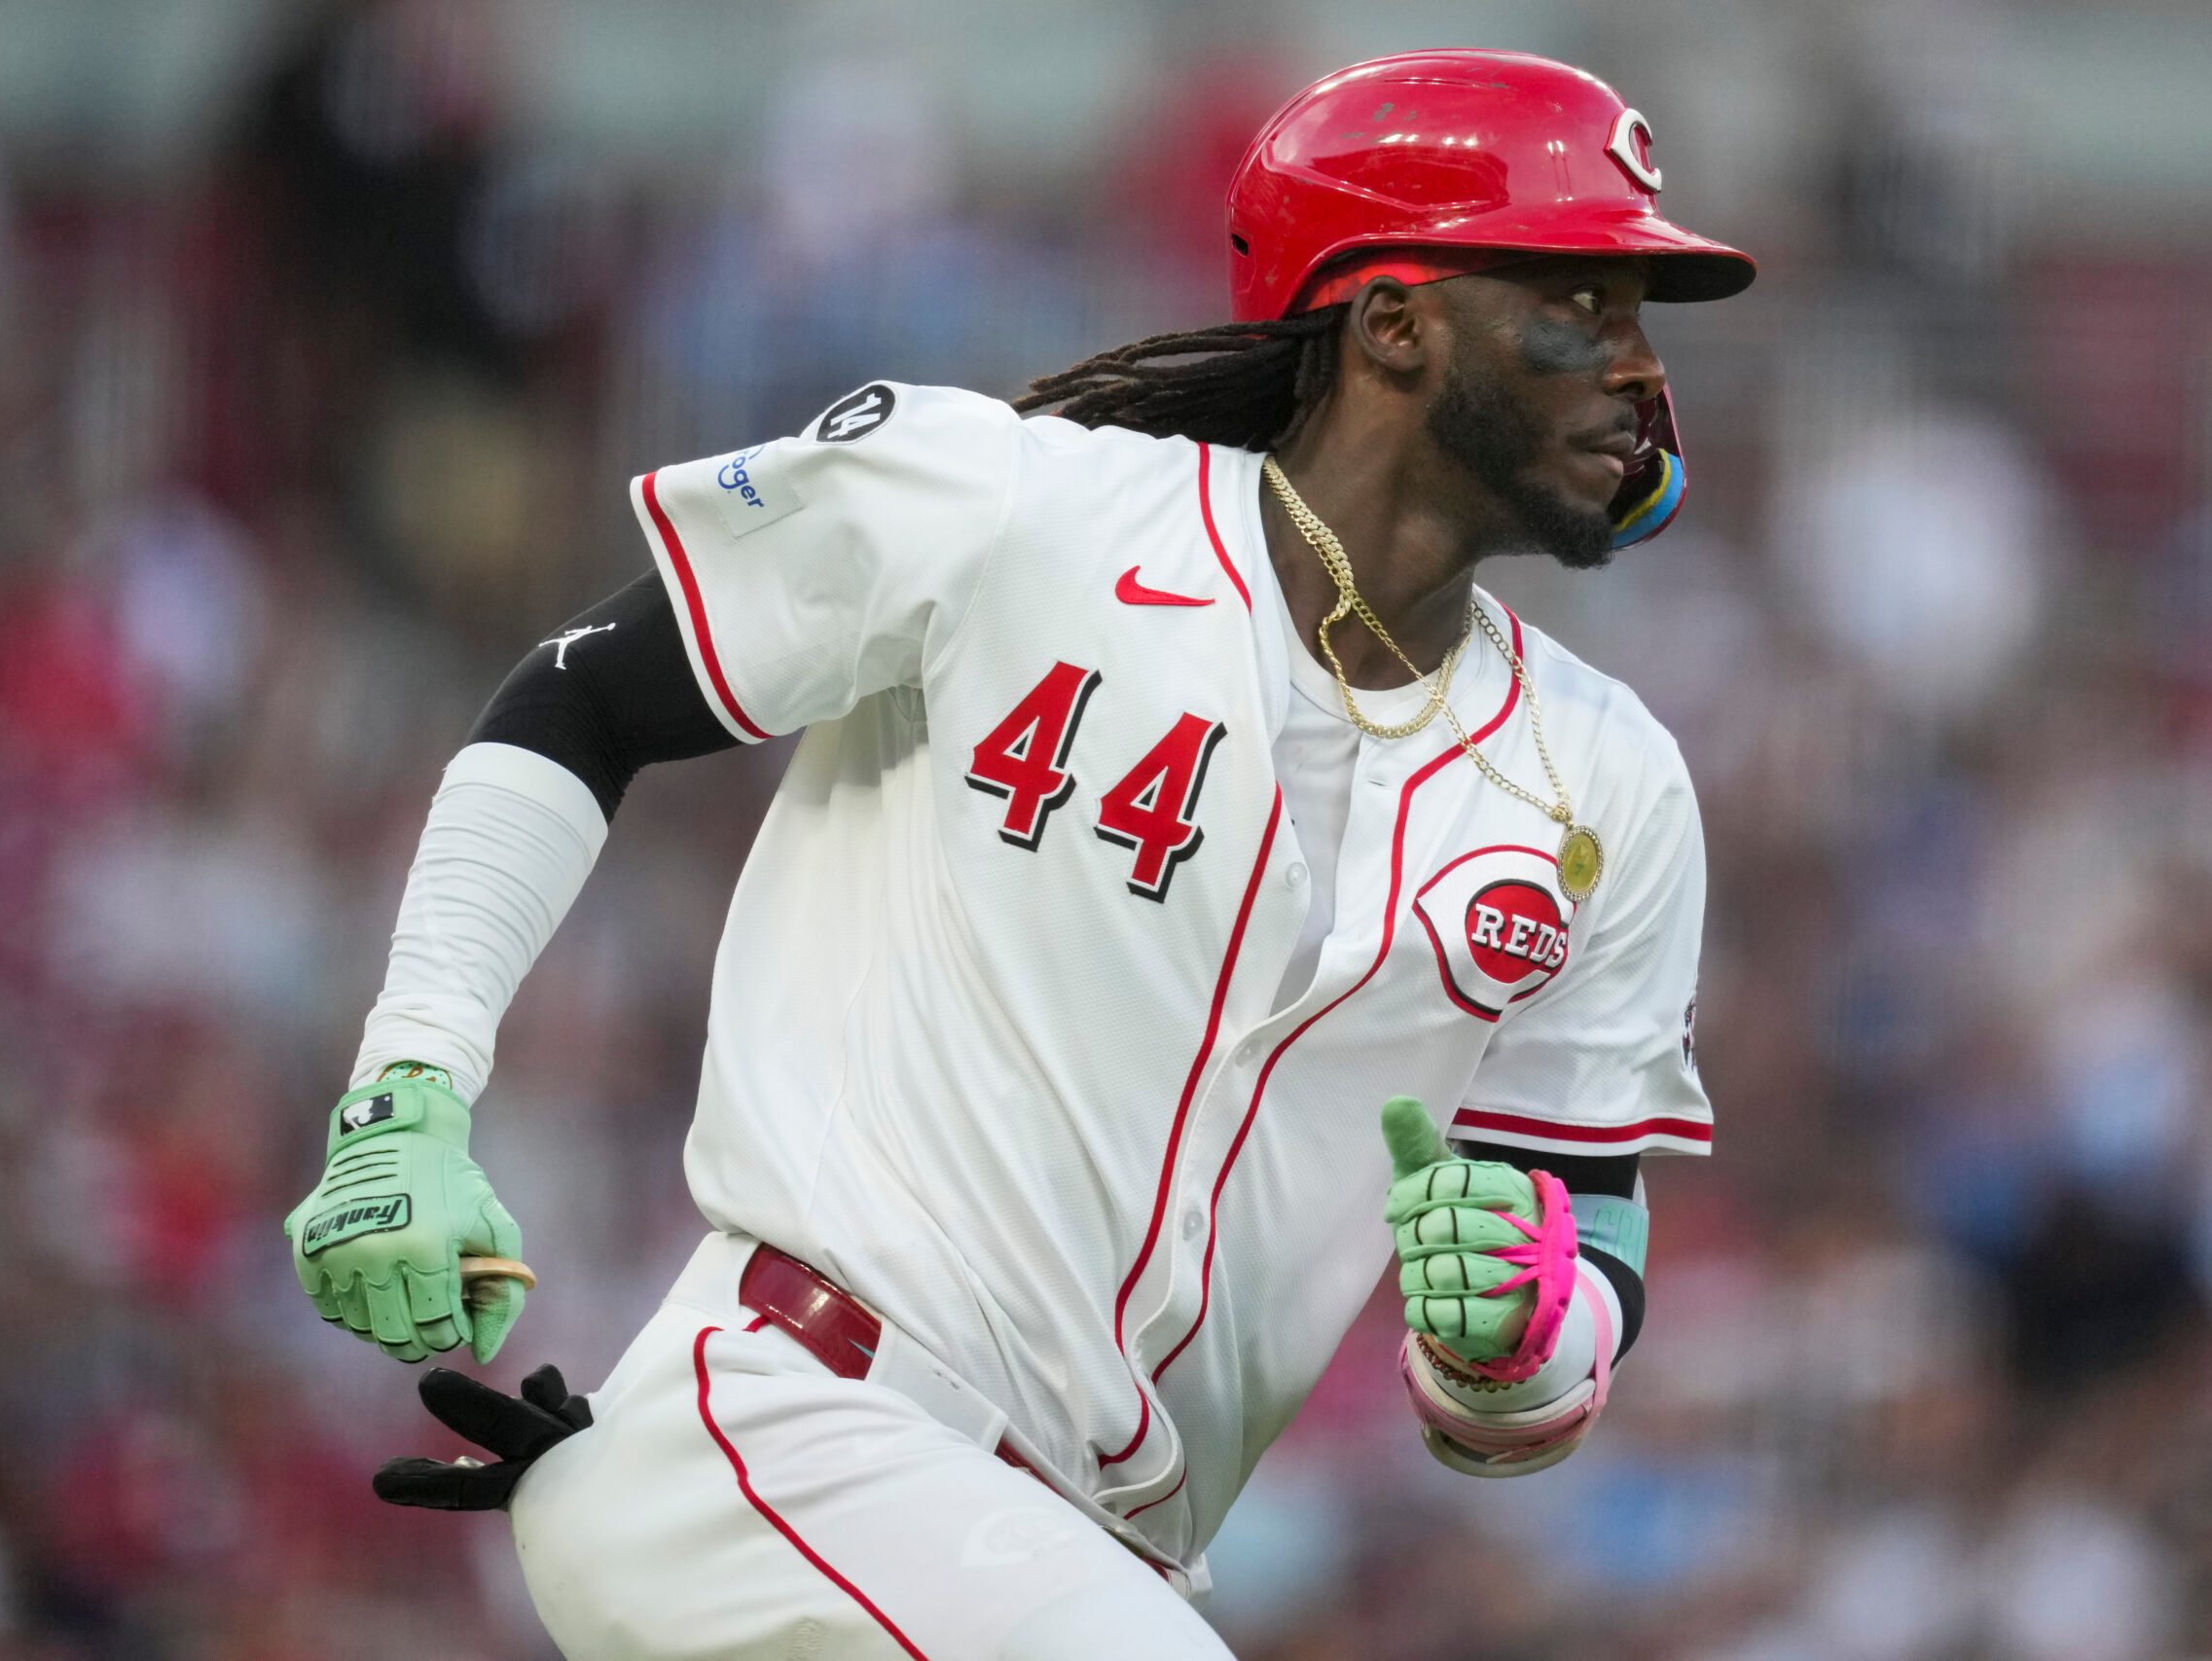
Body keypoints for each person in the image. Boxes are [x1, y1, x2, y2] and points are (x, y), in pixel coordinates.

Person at [282, 50, 1754, 1660]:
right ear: (1393, 321)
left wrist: (1521, 1333)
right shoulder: (1019, 505)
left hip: (1077, 1562)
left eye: (1639, 312)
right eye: (1584, 298)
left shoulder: (1609, 782)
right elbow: (578, 702)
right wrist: (407, 1086)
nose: (1636, 366)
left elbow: (1571, 1271)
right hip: (804, 1427)